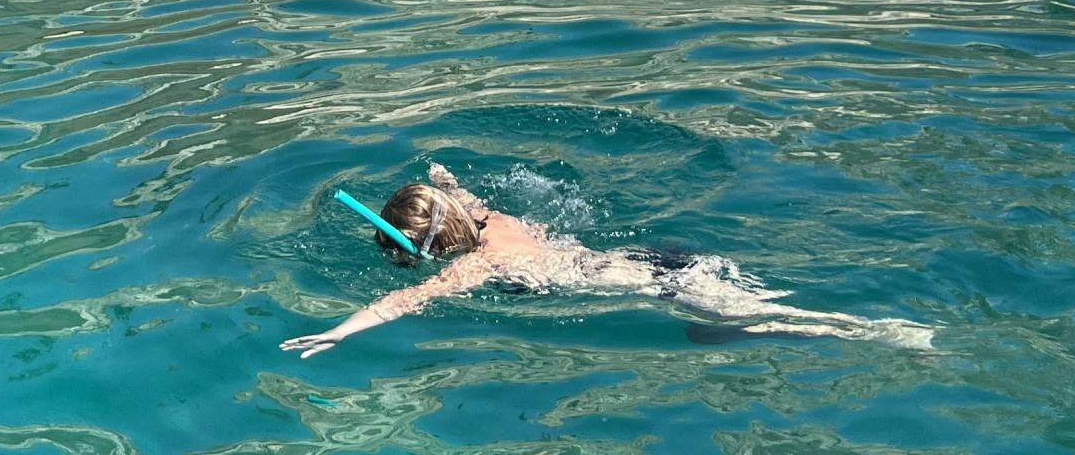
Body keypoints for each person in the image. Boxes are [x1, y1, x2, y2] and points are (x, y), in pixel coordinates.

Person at [281, 164, 934, 358]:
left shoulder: (472, 270)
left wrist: (340, 330)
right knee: (749, 320)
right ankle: (874, 332)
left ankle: (883, 334)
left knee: (774, 321)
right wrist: (442, 179)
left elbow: (405, 300)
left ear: (431, 250)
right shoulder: (489, 223)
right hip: (659, 263)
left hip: (663, 283)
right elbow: (455, 200)